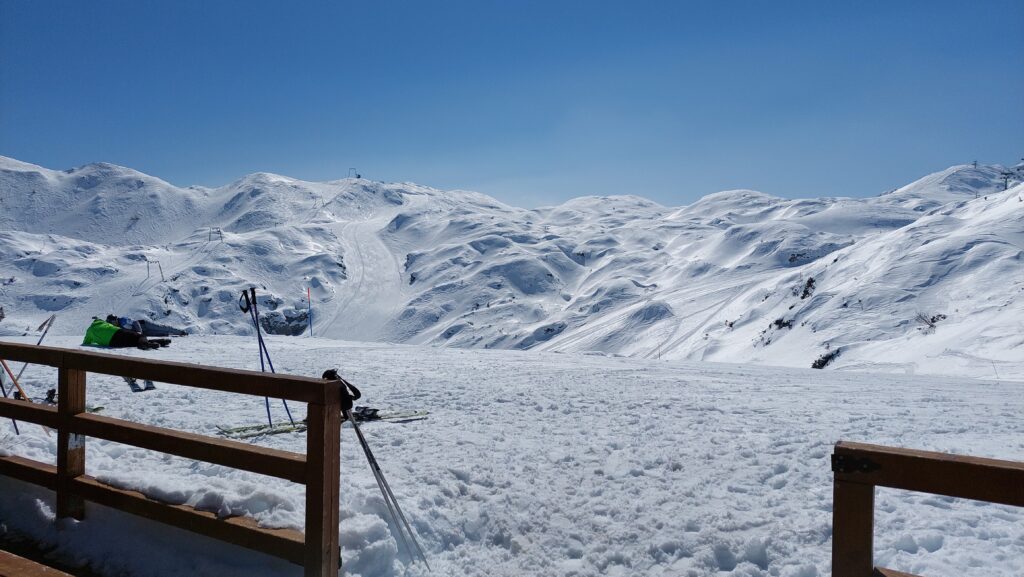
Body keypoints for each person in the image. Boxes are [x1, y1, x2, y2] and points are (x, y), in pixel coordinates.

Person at [83, 318, 168, 350]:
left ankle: (160, 342)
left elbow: (86, 342)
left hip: (112, 343)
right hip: (117, 332)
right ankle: (147, 344)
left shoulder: (89, 331)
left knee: (135, 342)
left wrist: (97, 339)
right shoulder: (104, 323)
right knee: (140, 336)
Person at [106, 314, 187, 337]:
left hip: (144, 325)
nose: (112, 324)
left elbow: (135, 323)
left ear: (115, 319)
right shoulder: (118, 326)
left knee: (162, 328)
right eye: (111, 323)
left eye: (112, 322)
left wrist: (139, 332)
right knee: (160, 334)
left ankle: (180, 332)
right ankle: (175, 334)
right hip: (144, 333)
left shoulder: (123, 320)